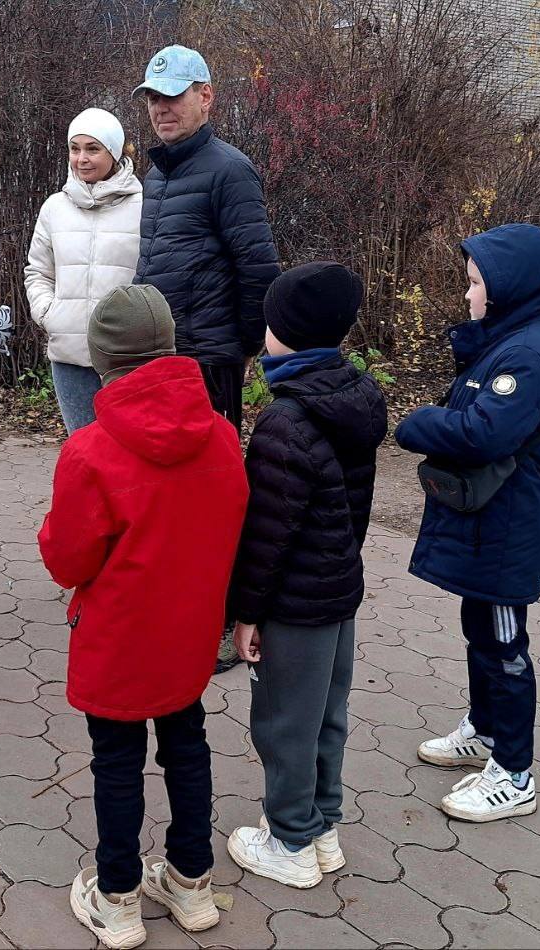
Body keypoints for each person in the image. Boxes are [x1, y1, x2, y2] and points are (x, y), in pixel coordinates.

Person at [37, 285, 248, 949]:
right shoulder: (220, 434)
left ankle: (118, 896)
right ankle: (190, 883)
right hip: (188, 632)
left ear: (102, 361)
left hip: (119, 639)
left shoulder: (90, 451)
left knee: (116, 761)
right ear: (170, 347)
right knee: (188, 745)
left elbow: (69, 560)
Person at [394, 223, 540, 822]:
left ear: (509, 287)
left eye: (474, 284)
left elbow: (484, 431)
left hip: (509, 528)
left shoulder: (526, 356)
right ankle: (485, 732)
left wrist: (418, 422)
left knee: (504, 642)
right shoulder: (506, 341)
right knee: (480, 628)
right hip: (491, 521)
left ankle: (515, 773)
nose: (467, 295)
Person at [225, 263, 387, 888]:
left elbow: (267, 537)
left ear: (283, 334)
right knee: (327, 712)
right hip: (339, 589)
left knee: (284, 719)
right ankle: (323, 827)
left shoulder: (285, 422)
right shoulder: (355, 396)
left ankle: (289, 840)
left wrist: (245, 612)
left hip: (294, 603)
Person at [131, 44, 281, 673]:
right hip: (165, 358)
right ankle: (182, 606)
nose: (162, 108)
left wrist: (243, 349)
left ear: (206, 95)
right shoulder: (160, 172)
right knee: (170, 492)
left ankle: (222, 623)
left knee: (212, 495)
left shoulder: (229, 171)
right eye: (153, 98)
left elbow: (259, 269)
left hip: (209, 358)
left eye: (174, 95)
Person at [24, 107, 142, 433]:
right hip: (70, 358)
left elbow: (152, 277)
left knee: (127, 455)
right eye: (75, 149)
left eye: (93, 148)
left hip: (126, 360)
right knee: (83, 453)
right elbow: (38, 271)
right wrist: (49, 313)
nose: (82, 159)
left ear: (114, 153)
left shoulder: (144, 207)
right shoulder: (54, 208)